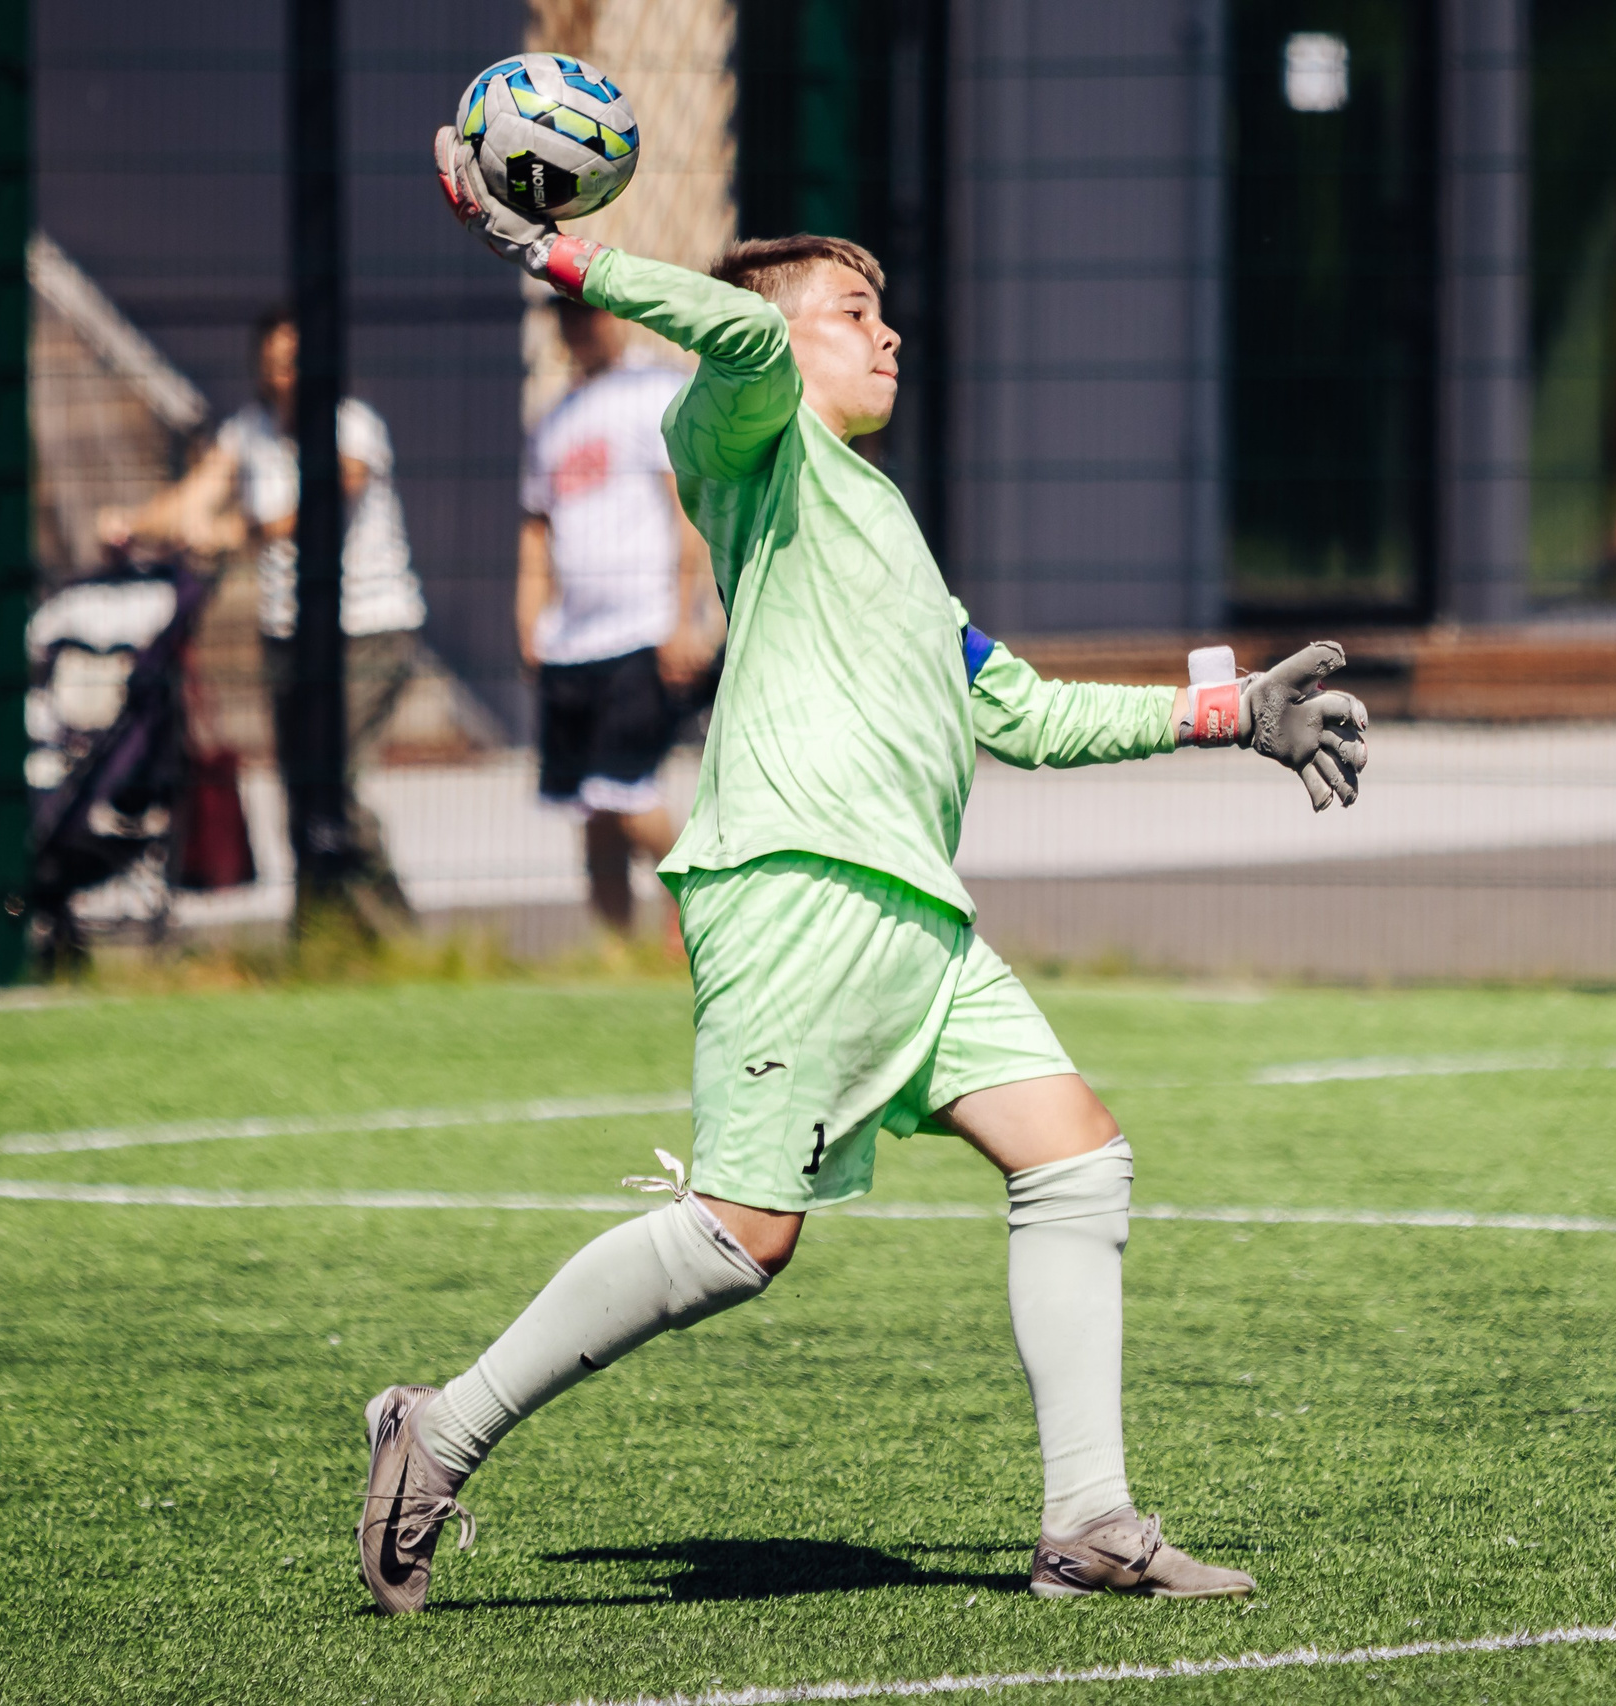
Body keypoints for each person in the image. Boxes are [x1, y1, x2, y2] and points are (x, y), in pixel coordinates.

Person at [356, 130, 1371, 1615]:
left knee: (1075, 1154)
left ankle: (1089, 1519)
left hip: (916, 919)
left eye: (880, 309)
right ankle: (431, 1431)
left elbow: (1015, 705)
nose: (884, 327)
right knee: (741, 1238)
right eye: (850, 309)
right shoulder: (746, 439)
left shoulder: (878, 515)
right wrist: (546, 249)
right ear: (775, 338)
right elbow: (730, 328)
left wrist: (1227, 713)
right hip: (798, 889)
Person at [101, 308, 427, 927]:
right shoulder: (247, 432)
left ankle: (395, 930)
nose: (287, 374)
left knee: (337, 784)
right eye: (277, 362)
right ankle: (319, 932)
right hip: (288, 637)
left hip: (369, 631)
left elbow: (328, 499)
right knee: (300, 789)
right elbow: (195, 497)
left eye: (298, 360)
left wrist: (239, 529)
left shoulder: (352, 425)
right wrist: (132, 525)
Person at [520, 298, 718, 938]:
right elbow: (536, 527)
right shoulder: (554, 421)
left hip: (641, 630)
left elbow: (686, 510)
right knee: (591, 810)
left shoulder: (654, 392)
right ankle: (616, 958)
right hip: (572, 640)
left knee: (621, 792)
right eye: (568, 319)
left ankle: (708, 903)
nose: (582, 329)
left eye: (590, 315)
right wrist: (529, 619)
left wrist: (683, 616)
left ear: (615, 318)